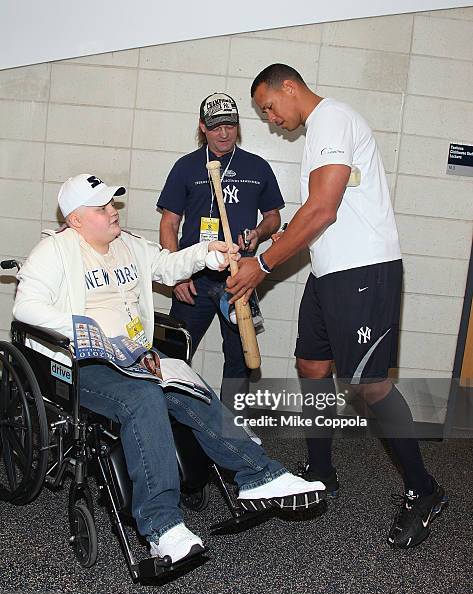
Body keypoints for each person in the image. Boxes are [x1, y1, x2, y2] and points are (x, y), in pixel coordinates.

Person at [13, 172, 325, 565]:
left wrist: (206, 254)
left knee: (187, 384)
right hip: (83, 366)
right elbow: (25, 307)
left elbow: (167, 266)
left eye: (113, 204)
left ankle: (259, 475)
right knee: (144, 398)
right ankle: (162, 528)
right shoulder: (55, 251)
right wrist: (84, 329)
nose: (114, 212)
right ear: (76, 219)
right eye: (102, 208)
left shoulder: (127, 245)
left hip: (136, 359)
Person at [226, 64, 448, 549]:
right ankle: (321, 469)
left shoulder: (332, 119)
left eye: (268, 107)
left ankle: (424, 490)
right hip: (328, 274)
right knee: (311, 366)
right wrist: (268, 245)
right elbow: (316, 217)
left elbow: (322, 208)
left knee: (369, 385)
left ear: (290, 87)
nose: (270, 119)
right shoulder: (318, 135)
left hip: (365, 273)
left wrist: (262, 266)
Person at [158, 92, 284, 406]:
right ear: (203, 127)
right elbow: (169, 224)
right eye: (216, 127)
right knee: (175, 352)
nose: (224, 133)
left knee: (240, 358)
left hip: (238, 278)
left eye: (230, 125)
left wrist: (259, 232)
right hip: (194, 279)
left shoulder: (257, 168)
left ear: (238, 126)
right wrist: (177, 275)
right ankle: (172, 422)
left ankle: (232, 429)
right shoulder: (186, 167)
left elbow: (273, 218)